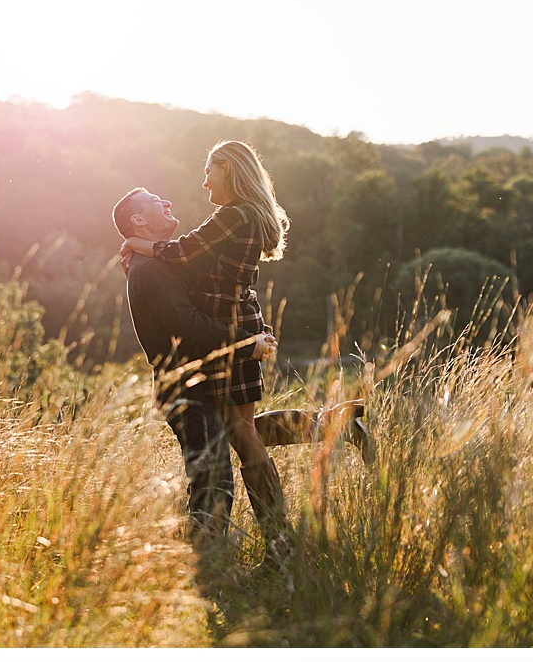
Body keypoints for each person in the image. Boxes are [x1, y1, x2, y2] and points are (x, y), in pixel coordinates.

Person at [119, 142, 369, 548]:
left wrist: (140, 247)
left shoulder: (235, 216)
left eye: (209, 171)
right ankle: (332, 425)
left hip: (229, 334)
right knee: (240, 429)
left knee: (241, 433)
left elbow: (183, 254)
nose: (203, 181)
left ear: (229, 170)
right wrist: (141, 259)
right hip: (232, 332)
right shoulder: (240, 216)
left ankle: (277, 540)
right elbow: (184, 268)